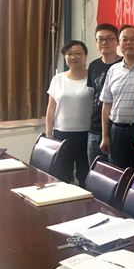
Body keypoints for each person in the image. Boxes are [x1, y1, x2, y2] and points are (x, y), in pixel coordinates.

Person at [99, 25, 134, 175]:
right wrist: (105, 136)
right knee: (118, 176)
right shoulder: (113, 70)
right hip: (117, 131)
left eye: (133, 39)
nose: (128, 43)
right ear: (119, 43)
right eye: (124, 40)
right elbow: (107, 104)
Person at [46, 41, 93, 185]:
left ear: (85, 56)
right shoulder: (58, 79)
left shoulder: (92, 78)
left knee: (85, 174)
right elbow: (51, 107)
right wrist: (48, 134)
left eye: (78, 53)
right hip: (62, 133)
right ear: (65, 57)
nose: (73, 57)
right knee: (62, 174)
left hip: (86, 133)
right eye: (69, 54)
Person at [87, 23, 122, 166]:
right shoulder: (93, 66)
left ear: (117, 41)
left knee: (118, 173)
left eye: (109, 38)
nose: (104, 42)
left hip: (117, 128)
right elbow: (93, 94)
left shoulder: (124, 64)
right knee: (95, 172)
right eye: (100, 39)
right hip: (95, 128)